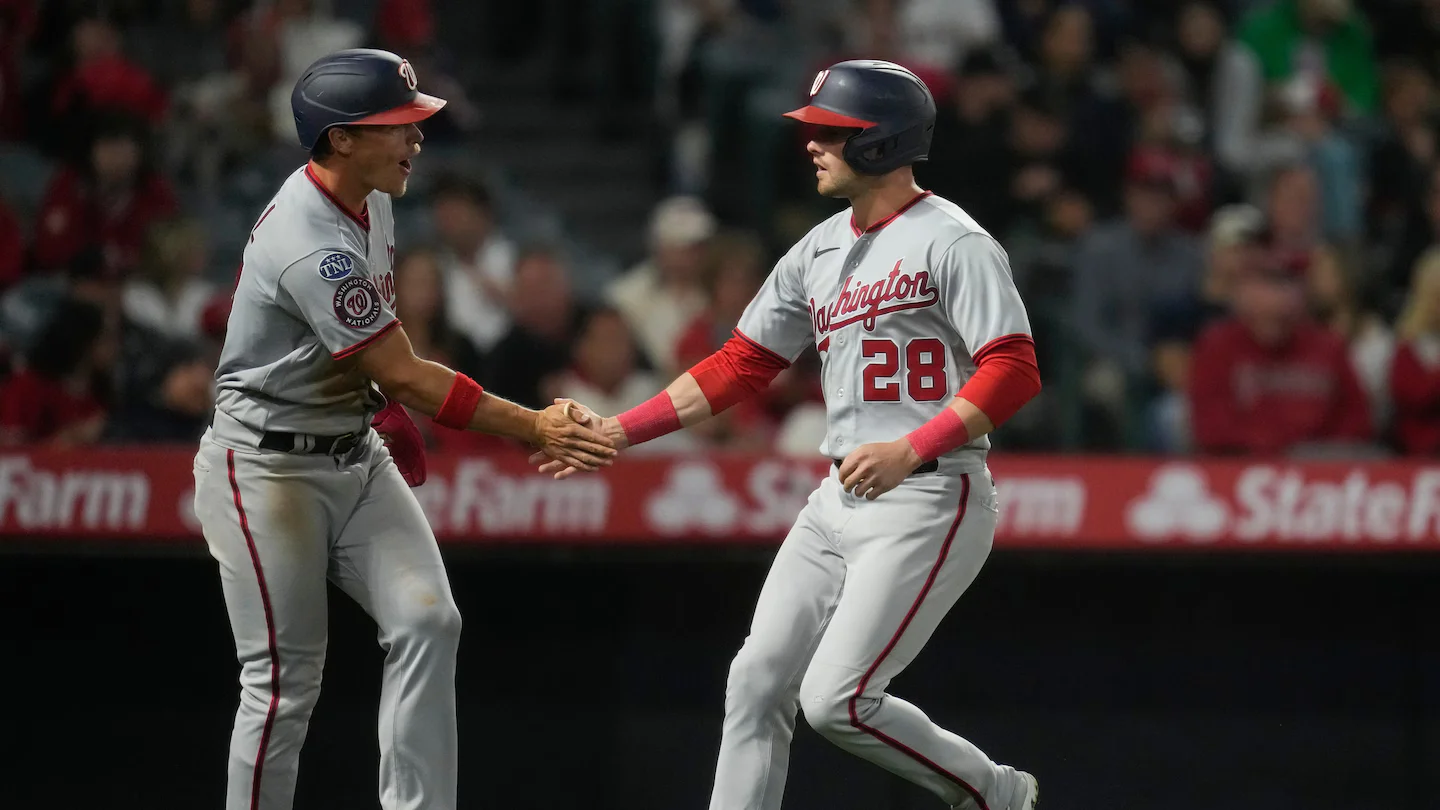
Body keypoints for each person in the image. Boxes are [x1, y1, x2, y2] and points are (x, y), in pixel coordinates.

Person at [538, 60, 1041, 810]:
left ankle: (992, 792)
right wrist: (619, 429)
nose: (812, 144)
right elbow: (742, 364)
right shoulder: (818, 247)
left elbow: (1015, 369)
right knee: (755, 680)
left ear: (881, 139)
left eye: (831, 132)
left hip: (930, 495)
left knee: (836, 701)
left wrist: (914, 446)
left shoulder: (954, 240)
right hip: (839, 495)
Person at [189, 49, 615, 810]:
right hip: (266, 467)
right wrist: (532, 426)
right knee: (283, 685)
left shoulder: (373, 195)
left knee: (428, 620)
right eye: (397, 125)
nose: (417, 137)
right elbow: (408, 373)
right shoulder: (308, 238)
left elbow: (374, 358)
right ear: (342, 138)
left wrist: (376, 403)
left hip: (351, 450)